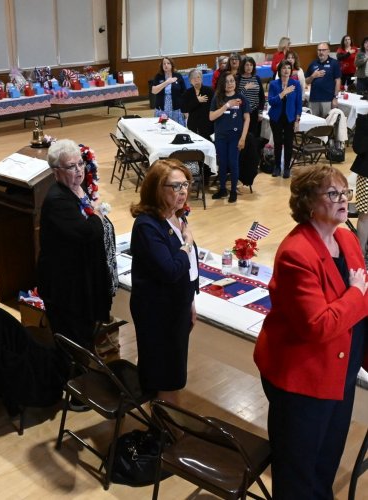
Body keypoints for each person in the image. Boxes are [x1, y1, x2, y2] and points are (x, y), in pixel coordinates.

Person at [254, 164, 368, 499]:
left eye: (345, 192)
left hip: (340, 375)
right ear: (307, 202)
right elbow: (318, 325)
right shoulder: (296, 253)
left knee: (326, 462)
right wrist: (355, 294)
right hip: (303, 381)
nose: (343, 199)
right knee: (297, 471)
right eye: (333, 194)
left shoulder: (346, 238)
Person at [37, 139, 117, 351]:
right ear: (56, 171)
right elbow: (88, 232)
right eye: (71, 167)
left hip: (81, 281)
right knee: (72, 342)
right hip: (65, 287)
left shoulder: (77, 190)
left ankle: (82, 375)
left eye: (80, 163)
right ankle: (71, 379)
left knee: (84, 336)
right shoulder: (57, 200)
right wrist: (98, 214)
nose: (79, 170)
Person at [129, 159, 198, 405]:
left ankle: (163, 424)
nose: (183, 191)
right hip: (158, 312)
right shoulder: (147, 226)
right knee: (166, 372)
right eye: (176, 186)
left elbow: (188, 269)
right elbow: (171, 270)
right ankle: (167, 430)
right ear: (158, 188)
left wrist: (190, 300)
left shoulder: (176, 216)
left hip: (176, 306)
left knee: (172, 367)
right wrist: (187, 242)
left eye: (186, 184)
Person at [209, 71, 250, 203]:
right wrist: (227, 105)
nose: (230, 84)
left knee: (233, 163)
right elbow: (211, 117)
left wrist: (243, 138)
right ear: (222, 84)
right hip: (221, 136)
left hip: (235, 136)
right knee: (222, 163)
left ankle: (233, 191)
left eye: (232, 81)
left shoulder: (241, 98)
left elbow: (247, 119)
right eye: (226, 81)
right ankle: (222, 189)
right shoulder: (218, 97)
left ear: (235, 82)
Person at [267, 60, 302, 179]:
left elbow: (298, 103)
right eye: (284, 68)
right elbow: (271, 101)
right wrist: (283, 93)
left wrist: (297, 119)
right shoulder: (273, 84)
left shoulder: (295, 84)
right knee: (277, 143)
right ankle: (277, 167)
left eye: (288, 68)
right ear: (280, 70)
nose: (286, 70)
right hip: (276, 117)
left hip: (290, 117)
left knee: (288, 143)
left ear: (291, 70)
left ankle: (286, 168)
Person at [305, 42, 341, 118]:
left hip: (327, 100)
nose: (321, 52)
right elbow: (307, 81)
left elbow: (338, 81)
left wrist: (335, 98)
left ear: (328, 51)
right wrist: (313, 76)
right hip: (314, 99)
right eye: (319, 50)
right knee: (313, 124)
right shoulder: (313, 63)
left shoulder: (334, 63)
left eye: (323, 50)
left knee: (327, 124)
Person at [351, 114, 368, 258]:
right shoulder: (363, 120)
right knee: (365, 215)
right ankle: (360, 254)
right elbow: (358, 147)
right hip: (366, 174)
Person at [151, 57, 186, 126]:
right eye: (164, 64)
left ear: (172, 65)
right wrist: (167, 82)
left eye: (168, 63)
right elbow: (154, 91)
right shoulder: (158, 76)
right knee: (163, 128)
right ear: (162, 66)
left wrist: (185, 110)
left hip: (176, 110)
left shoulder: (178, 76)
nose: (166, 65)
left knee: (176, 128)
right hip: (162, 110)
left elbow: (184, 93)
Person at [181, 68, 214, 140]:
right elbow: (184, 108)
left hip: (208, 125)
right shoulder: (187, 93)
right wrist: (197, 100)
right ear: (190, 81)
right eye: (193, 78)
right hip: (193, 125)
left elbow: (214, 106)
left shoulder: (209, 91)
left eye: (198, 77)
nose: (196, 80)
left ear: (202, 79)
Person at [236, 56, 265, 137]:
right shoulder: (238, 78)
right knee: (242, 135)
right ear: (243, 66)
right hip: (242, 112)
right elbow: (236, 97)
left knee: (253, 136)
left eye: (251, 65)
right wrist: (245, 88)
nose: (249, 67)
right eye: (247, 65)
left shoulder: (257, 78)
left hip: (254, 111)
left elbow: (261, 97)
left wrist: (260, 112)